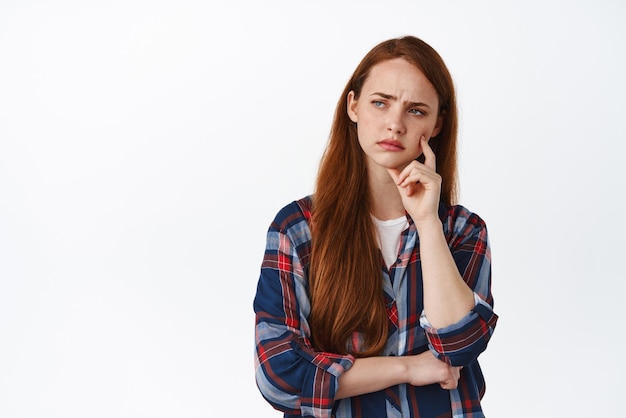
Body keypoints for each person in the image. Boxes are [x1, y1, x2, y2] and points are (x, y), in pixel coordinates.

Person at [253, 35, 498, 418]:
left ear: (437, 124)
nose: (395, 124)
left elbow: (460, 345)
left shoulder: (462, 230)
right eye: (380, 103)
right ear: (353, 106)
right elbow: (278, 376)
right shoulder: (299, 229)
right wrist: (409, 368)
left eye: (416, 110)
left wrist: (427, 224)